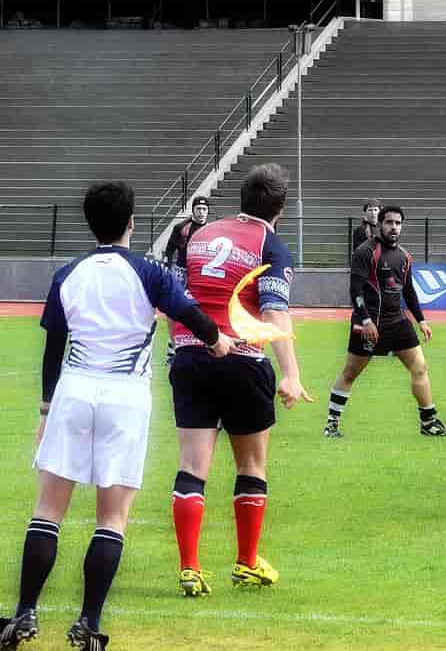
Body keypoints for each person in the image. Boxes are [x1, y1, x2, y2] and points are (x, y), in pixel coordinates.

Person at [0, 183, 232, 651]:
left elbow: (52, 350)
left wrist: (46, 409)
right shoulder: (149, 272)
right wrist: (218, 341)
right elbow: (189, 313)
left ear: (90, 222)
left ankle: (24, 613)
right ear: (131, 221)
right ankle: (88, 623)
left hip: (74, 390)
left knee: (48, 510)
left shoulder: (68, 273)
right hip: (126, 398)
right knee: (112, 516)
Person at [169, 163, 312, 597]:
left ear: (241, 199)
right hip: (242, 359)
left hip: (190, 354)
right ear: (279, 210)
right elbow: (272, 310)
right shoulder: (270, 243)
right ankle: (247, 562)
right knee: (251, 465)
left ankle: (190, 568)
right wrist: (290, 373)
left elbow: (180, 294)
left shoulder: (202, 234)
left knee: (192, 467)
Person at [325, 205, 446, 439]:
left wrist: (421, 320)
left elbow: (409, 291)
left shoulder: (404, 256)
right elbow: (355, 289)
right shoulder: (365, 252)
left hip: (397, 322)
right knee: (350, 373)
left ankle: (429, 422)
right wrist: (365, 319)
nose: (394, 227)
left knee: (420, 367)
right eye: (389, 222)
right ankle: (331, 423)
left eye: (398, 223)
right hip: (369, 324)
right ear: (380, 225)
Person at [162, 195, 211, 363]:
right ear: (193, 210)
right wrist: (168, 269)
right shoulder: (182, 227)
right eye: (199, 209)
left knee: (201, 306)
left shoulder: (212, 228)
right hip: (183, 271)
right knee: (175, 304)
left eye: (204, 209)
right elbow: (169, 250)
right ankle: (173, 343)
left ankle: (200, 339)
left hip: (202, 271)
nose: (202, 212)